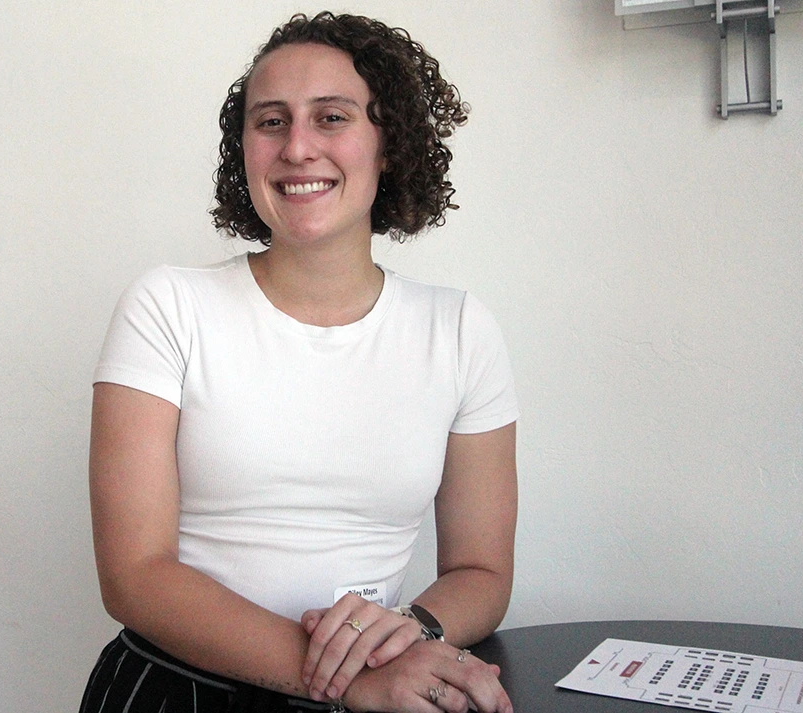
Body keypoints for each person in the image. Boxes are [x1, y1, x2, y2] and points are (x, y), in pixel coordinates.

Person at [79, 12, 518, 713]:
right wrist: (349, 680)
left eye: (332, 117)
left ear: (389, 144)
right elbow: (135, 576)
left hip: (383, 682)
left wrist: (410, 629)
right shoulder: (167, 306)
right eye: (271, 121)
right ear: (244, 149)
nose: (298, 147)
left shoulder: (460, 328)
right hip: (180, 690)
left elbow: (481, 570)